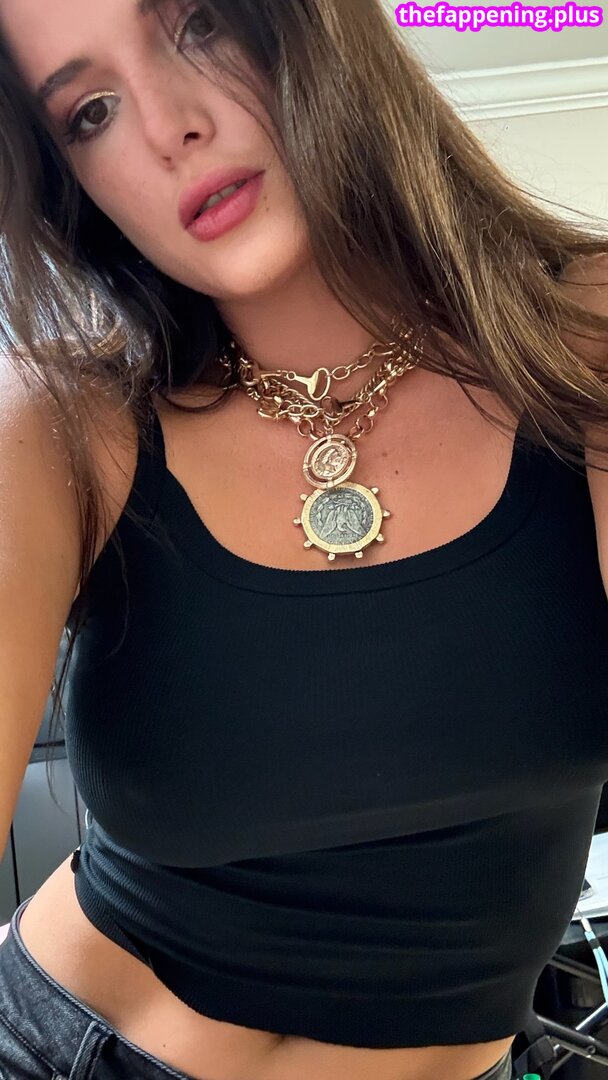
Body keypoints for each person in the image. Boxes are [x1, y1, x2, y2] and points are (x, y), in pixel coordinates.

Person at [1, 2, 608, 1079]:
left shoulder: (583, 340)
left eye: (198, 24)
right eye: (90, 111)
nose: (167, 127)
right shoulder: (62, 427)